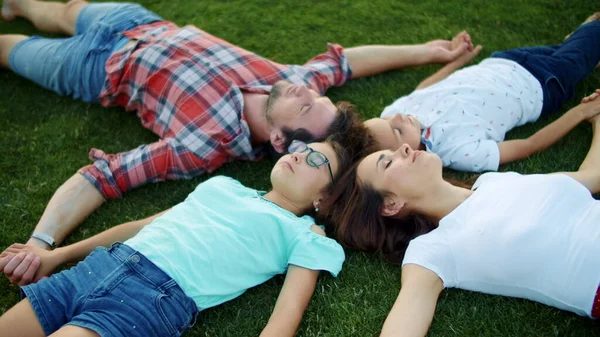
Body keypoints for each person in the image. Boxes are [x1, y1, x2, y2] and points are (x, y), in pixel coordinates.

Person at [0, 0, 471, 263]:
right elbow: (345, 62)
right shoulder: (291, 81)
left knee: (13, 49)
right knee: (63, 11)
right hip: (137, 23)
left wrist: (41, 244)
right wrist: (428, 51)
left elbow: (102, 179)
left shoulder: (202, 146)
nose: (306, 90)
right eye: (313, 95)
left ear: (284, 141)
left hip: (96, 68)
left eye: (307, 106)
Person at [0, 122, 368, 337]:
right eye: (302, 147)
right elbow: (144, 225)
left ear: (326, 197)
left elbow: (287, 314)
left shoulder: (306, 235)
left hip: (150, 299)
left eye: (317, 160)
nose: (300, 154)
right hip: (97, 267)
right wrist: (56, 256)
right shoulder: (224, 185)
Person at [320, 89, 600, 337]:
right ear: (391, 204)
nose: (403, 147)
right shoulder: (432, 251)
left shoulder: (492, 181)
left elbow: (591, 177)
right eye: (388, 163)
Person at [364, 14, 600, 173]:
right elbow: (529, 144)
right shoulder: (459, 153)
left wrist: (458, 61)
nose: (396, 118)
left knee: (577, 48)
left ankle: (582, 41)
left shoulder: (395, 112)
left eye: (385, 120)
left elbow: (424, 88)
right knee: (587, 42)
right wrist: (581, 112)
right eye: (396, 130)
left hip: (503, 60)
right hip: (544, 85)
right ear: (406, 152)